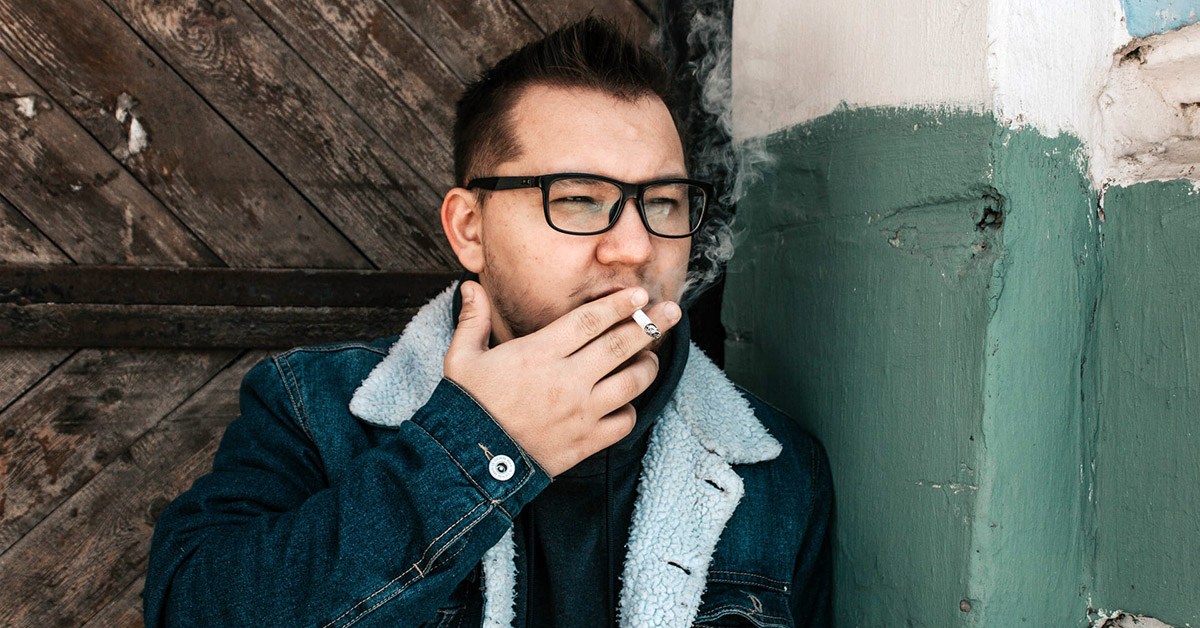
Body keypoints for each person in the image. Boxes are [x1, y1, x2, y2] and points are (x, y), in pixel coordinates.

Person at [144, 16, 831, 628]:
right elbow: (192, 606)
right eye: (581, 199)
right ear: (469, 229)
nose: (635, 247)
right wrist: (481, 444)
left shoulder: (779, 470)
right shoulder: (315, 408)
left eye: (664, 201)